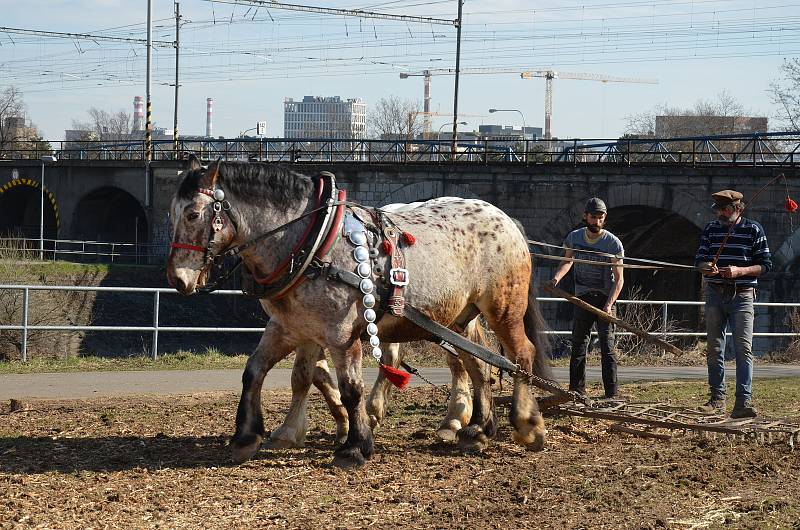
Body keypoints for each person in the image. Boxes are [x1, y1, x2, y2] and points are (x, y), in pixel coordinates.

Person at [695, 189, 772, 418]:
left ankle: (742, 402)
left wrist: (740, 271)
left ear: (738, 209)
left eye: (724, 209)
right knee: (714, 348)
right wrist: (706, 267)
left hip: (743, 295)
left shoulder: (753, 229)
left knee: (743, 349)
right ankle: (717, 399)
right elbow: (699, 259)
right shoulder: (711, 229)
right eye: (717, 209)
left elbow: (765, 264)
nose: (719, 213)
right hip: (715, 294)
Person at [549, 197, 624, 398]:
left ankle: (611, 394)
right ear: (585, 216)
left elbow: (619, 279)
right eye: (593, 217)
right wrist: (556, 278)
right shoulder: (574, 238)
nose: (596, 222)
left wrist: (609, 304)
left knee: (607, 349)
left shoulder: (613, 243)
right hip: (582, 298)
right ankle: (576, 391)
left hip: (605, 300)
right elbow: (567, 261)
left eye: (600, 218)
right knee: (579, 345)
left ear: (604, 218)